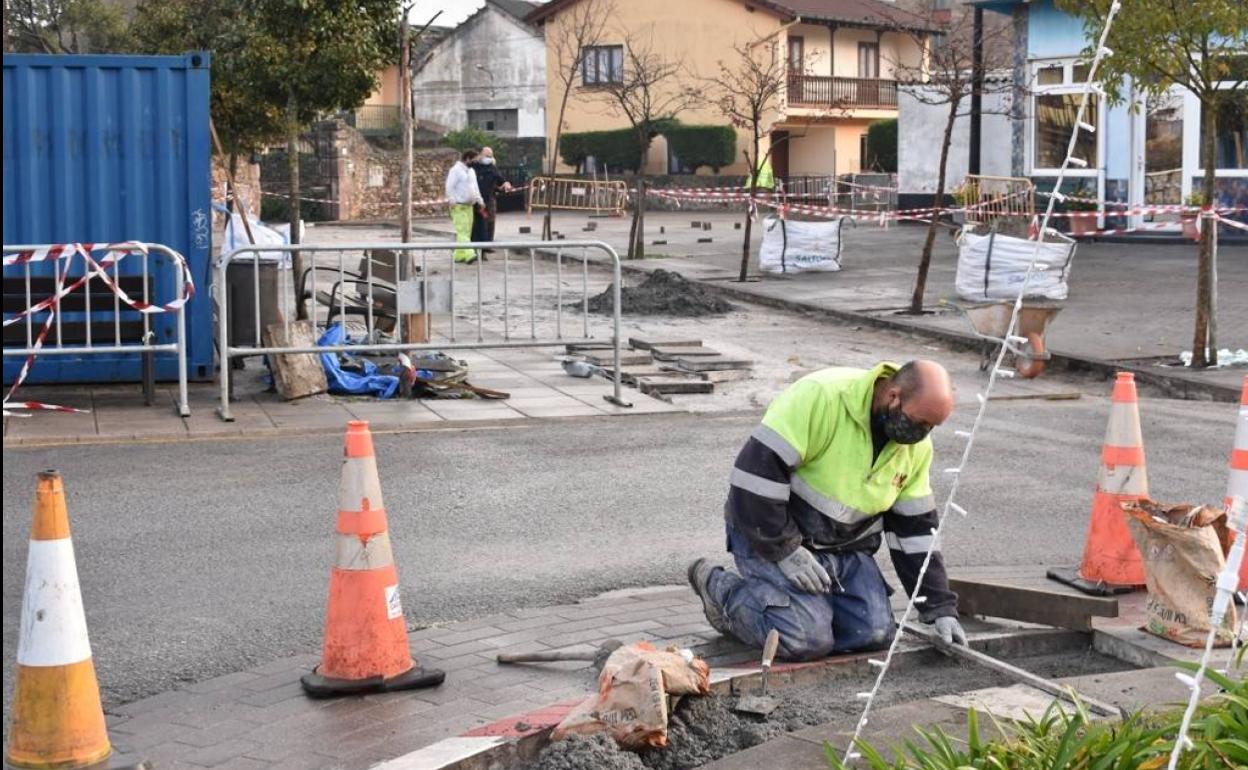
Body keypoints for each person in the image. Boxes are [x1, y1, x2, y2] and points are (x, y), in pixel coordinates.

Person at [687, 360, 967, 661]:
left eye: (932, 427)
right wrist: (785, 551)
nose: (922, 435)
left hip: (845, 549)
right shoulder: (821, 397)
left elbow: (916, 532)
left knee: (873, 634)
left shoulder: (914, 448)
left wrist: (938, 608)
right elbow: (754, 480)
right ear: (894, 397)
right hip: (769, 532)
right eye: (920, 422)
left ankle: (809, 610)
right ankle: (721, 590)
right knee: (804, 639)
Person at [445, 149, 486, 264]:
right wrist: (451, 199)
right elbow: (449, 186)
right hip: (458, 205)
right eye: (474, 159)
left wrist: (480, 200)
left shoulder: (471, 171)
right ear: (467, 158)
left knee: (466, 232)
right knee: (462, 230)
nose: (476, 162)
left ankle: (459, 255)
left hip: (469, 206)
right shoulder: (455, 170)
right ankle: (469, 254)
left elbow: (475, 187)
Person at [470, 146, 513, 253]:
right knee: (475, 225)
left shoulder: (492, 168)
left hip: (488, 200)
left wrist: (506, 184)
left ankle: (486, 246)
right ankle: (474, 247)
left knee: (488, 223)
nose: (489, 158)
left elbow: (501, 180)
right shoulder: (473, 167)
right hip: (474, 200)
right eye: (487, 156)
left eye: (491, 156)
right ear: (480, 155)